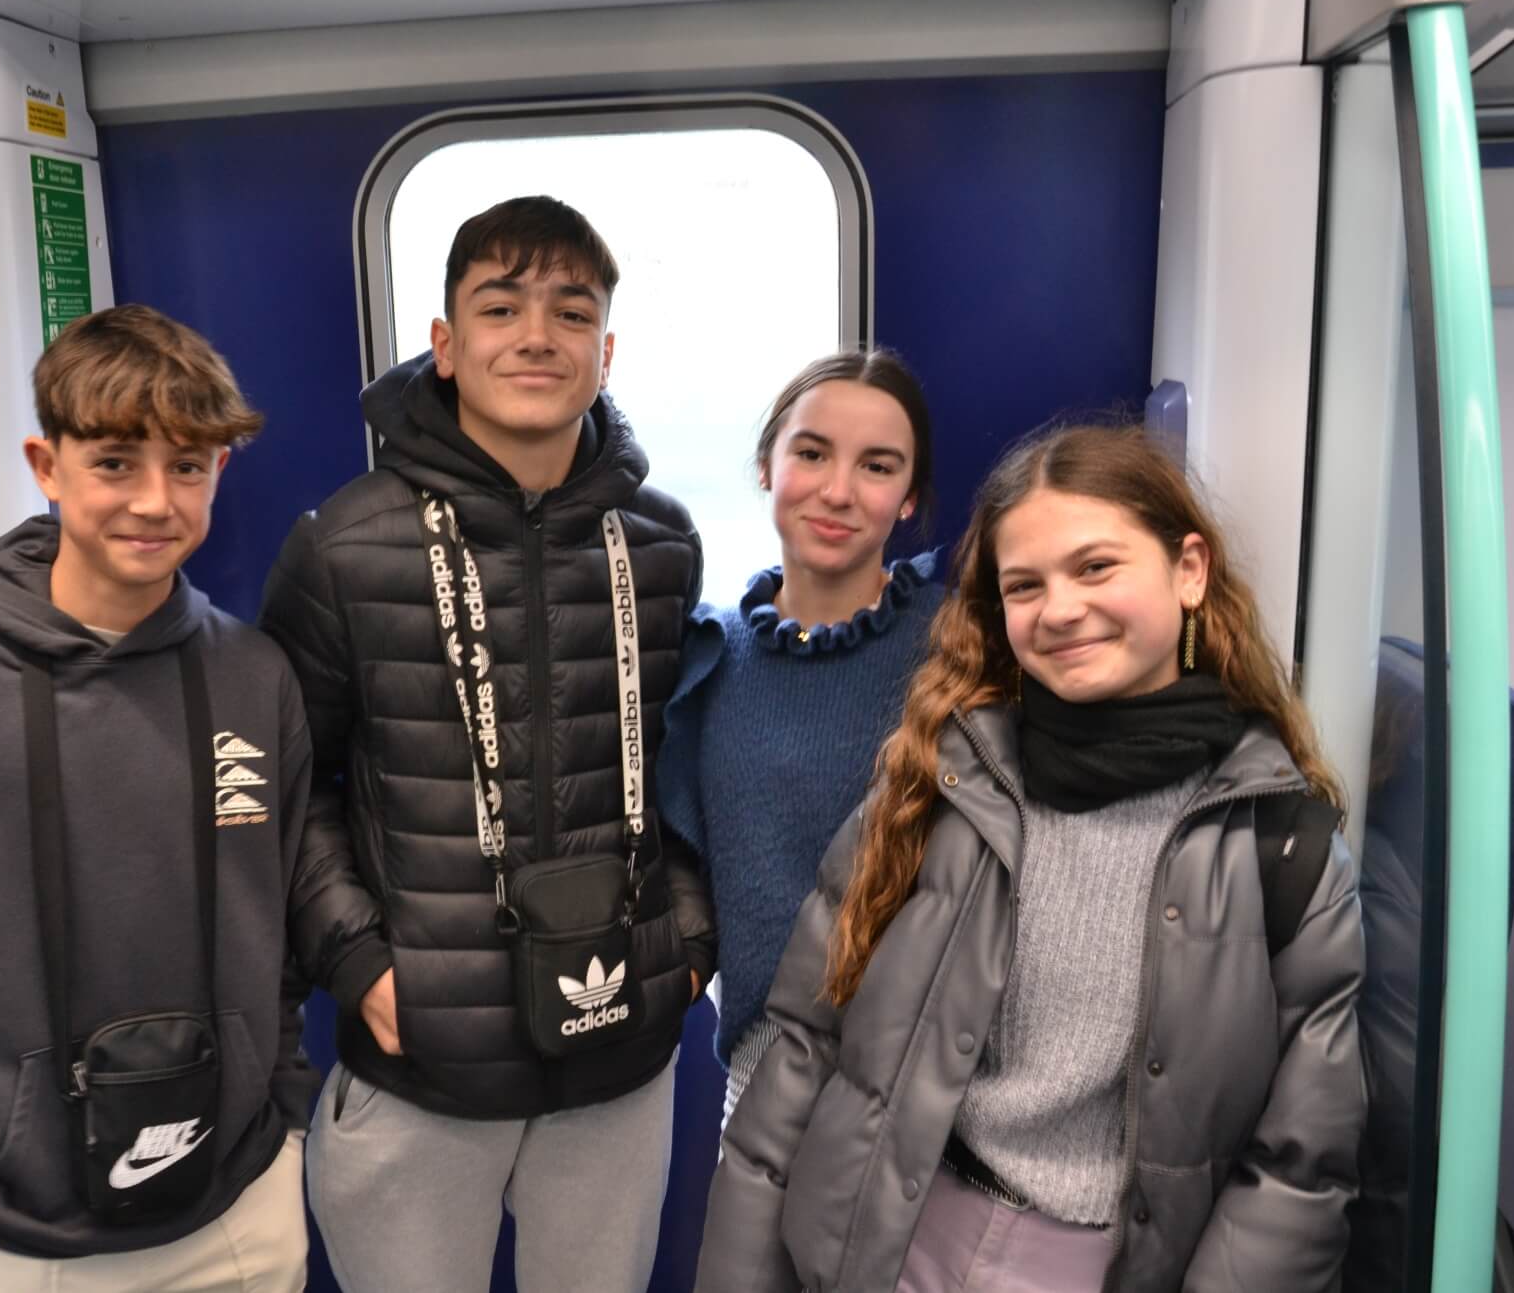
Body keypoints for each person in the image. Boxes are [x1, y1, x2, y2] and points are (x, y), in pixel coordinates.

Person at [697, 424, 1365, 1292]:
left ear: (1190, 570)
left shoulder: (1284, 844)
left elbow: (1299, 1167)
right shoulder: (940, 781)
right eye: (1025, 585)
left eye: (1096, 567)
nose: (1059, 609)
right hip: (889, 1242)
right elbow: (804, 1044)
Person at [260, 195, 714, 1293]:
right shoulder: (343, 546)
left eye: (572, 312)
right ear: (446, 345)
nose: (537, 336)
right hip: (423, 1060)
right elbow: (287, 785)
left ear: (606, 352)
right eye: (501, 307)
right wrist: (358, 962)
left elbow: (688, 769)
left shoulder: (661, 543)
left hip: (617, 1048)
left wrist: (690, 938)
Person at [0, 304, 315, 1292]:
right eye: (115, 462)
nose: (153, 500)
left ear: (219, 471)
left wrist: (285, 1121)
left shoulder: (253, 675)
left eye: (187, 465)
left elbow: (278, 934)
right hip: (11, 1240)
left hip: (238, 1210)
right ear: (46, 466)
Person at [658, 348, 942, 1131]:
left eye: (877, 466)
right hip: (764, 1073)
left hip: (929, 1077)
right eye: (812, 453)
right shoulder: (708, 655)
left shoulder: (956, 648)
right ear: (766, 467)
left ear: (909, 499)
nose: (838, 490)